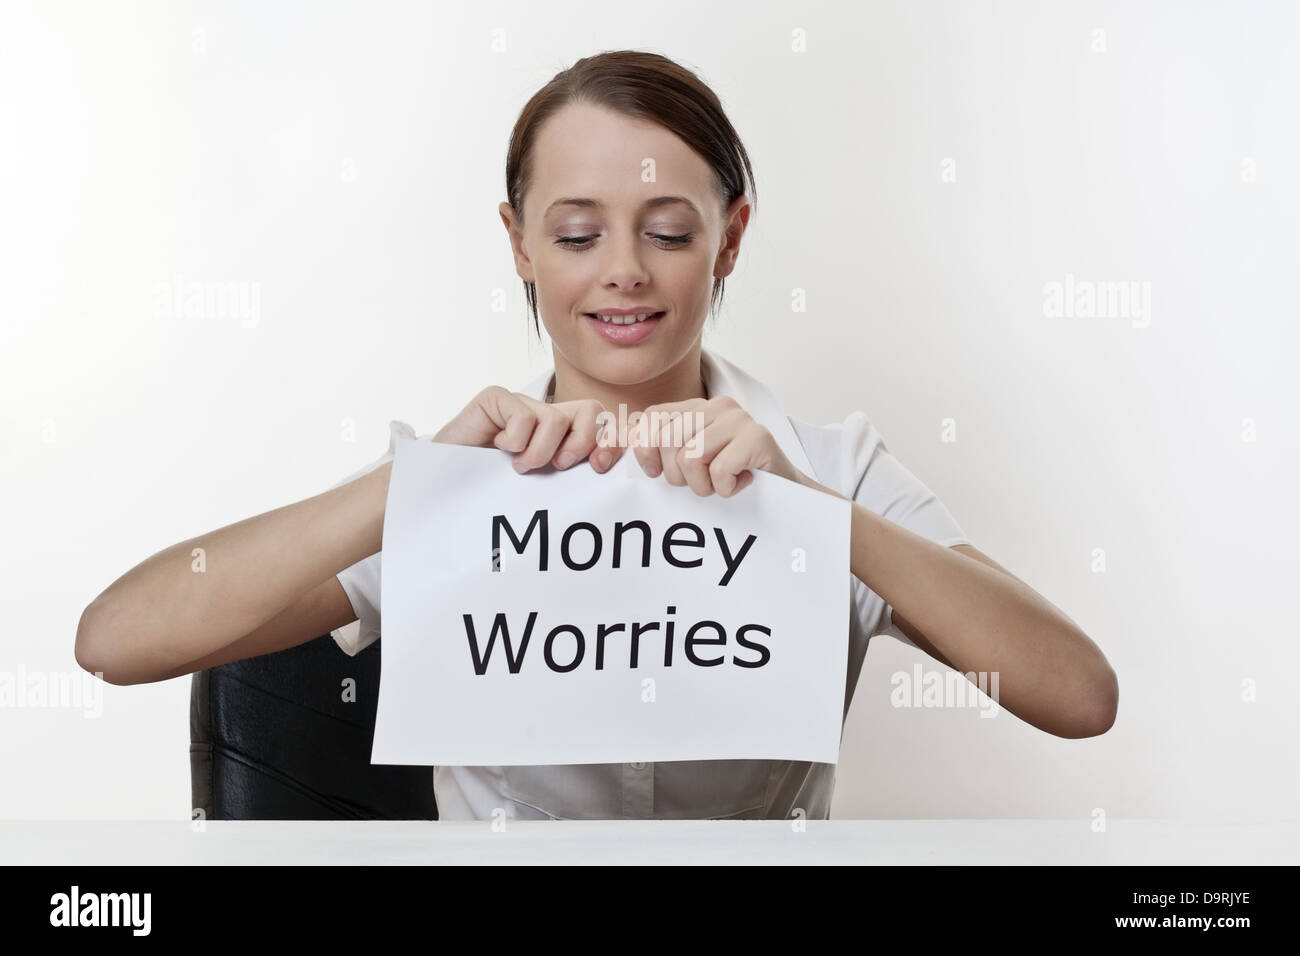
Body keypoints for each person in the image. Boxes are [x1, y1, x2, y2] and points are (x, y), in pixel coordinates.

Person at [75, 50, 1118, 821]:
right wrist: (409, 485)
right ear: (519, 243)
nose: (622, 269)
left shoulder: (826, 465)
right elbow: (115, 639)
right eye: (576, 233)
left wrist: (817, 515)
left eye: (667, 231)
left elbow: (1078, 694)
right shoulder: (459, 483)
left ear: (731, 238)